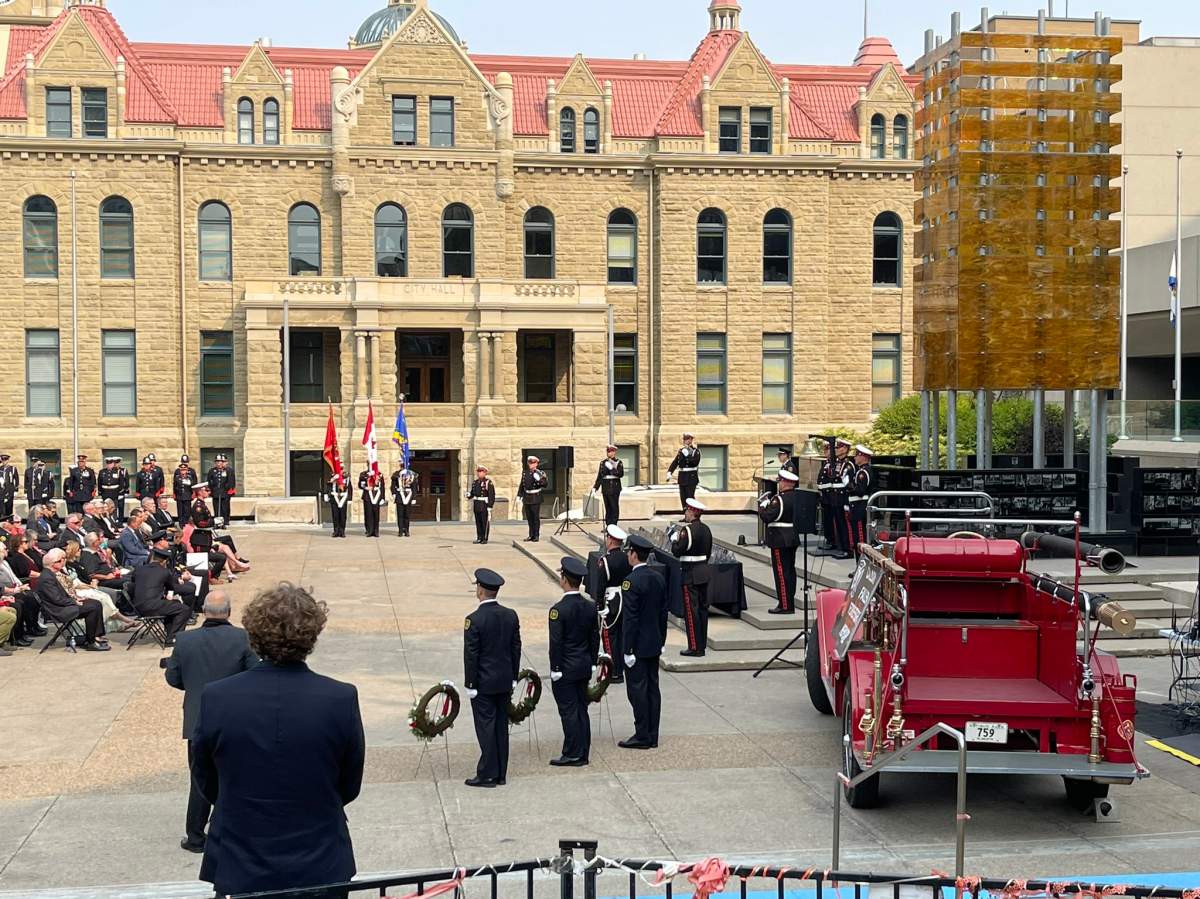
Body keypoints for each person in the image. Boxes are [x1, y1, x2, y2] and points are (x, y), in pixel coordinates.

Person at [192, 582, 365, 897]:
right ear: (312, 635)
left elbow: (206, 780)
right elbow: (348, 783)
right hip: (318, 858)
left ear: (253, 634)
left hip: (242, 855)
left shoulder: (218, 697)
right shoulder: (339, 698)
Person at [163, 590, 258, 854]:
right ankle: (232, 832)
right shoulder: (242, 638)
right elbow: (255, 674)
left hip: (198, 720)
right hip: (235, 721)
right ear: (228, 612)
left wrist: (195, 688)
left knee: (200, 781)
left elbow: (172, 678)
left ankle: (195, 837)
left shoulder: (184, 640)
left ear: (204, 611)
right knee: (235, 778)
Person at [463, 568, 521, 788]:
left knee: (486, 728)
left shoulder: (474, 620)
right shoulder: (510, 615)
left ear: (480, 590)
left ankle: (487, 774)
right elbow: (516, 648)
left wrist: (470, 683)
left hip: (484, 683)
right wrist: (513, 676)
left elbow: (471, 655)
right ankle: (501, 773)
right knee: (499, 728)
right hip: (504, 680)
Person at [548, 557, 599, 767]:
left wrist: (556, 668)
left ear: (564, 580)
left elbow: (556, 643)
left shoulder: (558, 610)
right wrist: (593, 661)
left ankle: (572, 752)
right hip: (583, 665)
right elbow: (594, 636)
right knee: (581, 710)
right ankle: (583, 751)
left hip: (566, 668)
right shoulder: (589, 606)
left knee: (569, 711)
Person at [619, 535, 667, 749]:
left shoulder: (631, 581)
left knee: (637, 690)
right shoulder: (658, 577)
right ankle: (652, 733)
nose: (628, 555)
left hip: (638, 646)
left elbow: (631, 619)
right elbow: (663, 613)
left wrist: (627, 649)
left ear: (634, 554)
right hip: (654, 642)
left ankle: (642, 734)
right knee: (652, 689)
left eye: (629, 552)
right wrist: (662, 639)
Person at [35, 548, 109, 651]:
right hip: (59, 610)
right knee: (92, 608)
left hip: (64, 604)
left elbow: (62, 594)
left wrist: (77, 598)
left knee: (96, 603)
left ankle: (96, 636)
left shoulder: (52, 574)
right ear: (53, 563)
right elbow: (57, 599)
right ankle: (91, 642)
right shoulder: (47, 578)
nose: (64, 561)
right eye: (61, 559)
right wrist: (75, 602)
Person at [671, 498, 713, 657]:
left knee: (691, 611)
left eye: (687, 511)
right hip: (703, 571)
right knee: (702, 610)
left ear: (693, 512)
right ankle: (701, 644)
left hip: (690, 574)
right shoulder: (706, 529)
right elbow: (708, 553)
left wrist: (674, 540)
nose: (685, 514)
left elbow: (677, 551)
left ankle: (695, 647)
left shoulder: (687, 531)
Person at [759, 469, 800, 615]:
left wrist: (763, 505)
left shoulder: (779, 499)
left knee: (781, 573)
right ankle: (789, 601)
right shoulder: (797, 497)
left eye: (781, 481)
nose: (779, 484)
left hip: (779, 539)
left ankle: (785, 604)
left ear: (787, 482)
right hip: (792, 537)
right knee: (790, 570)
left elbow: (767, 517)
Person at [131, 548, 193, 643]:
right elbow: (171, 588)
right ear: (164, 561)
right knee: (184, 609)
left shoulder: (139, 569)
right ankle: (173, 638)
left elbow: (133, 583)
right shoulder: (165, 572)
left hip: (138, 606)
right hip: (152, 606)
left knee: (173, 605)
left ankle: (169, 632)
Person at [598, 524, 630, 684]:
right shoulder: (627, 557)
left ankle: (613, 671)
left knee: (609, 636)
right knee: (621, 635)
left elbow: (600, 585)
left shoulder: (605, 561)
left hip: (611, 600)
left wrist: (598, 605)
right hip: (625, 598)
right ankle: (620, 669)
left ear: (611, 540)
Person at [847, 445, 875, 559]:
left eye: (856, 455)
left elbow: (860, 491)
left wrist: (849, 485)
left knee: (860, 539)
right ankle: (859, 565)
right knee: (856, 539)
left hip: (859, 509)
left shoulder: (864, 472)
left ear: (863, 457)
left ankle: (861, 565)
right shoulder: (861, 471)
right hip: (856, 508)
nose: (854, 458)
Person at [832, 438, 856, 560]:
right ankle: (842, 547)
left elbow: (848, 484)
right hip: (836, 498)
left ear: (845, 449)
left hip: (844, 498)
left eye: (839, 447)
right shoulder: (838, 463)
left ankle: (848, 549)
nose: (836, 450)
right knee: (839, 524)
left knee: (845, 525)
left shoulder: (848, 464)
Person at [666, 433, 701, 512]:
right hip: (682, 477)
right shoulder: (681, 451)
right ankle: (686, 516)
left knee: (690, 498)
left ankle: (693, 515)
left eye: (688, 439)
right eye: (685, 439)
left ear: (691, 440)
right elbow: (676, 462)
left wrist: (687, 455)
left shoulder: (695, 451)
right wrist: (670, 471)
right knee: (683, 498)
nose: (686, 441)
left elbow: (695, 463)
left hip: (691, 477)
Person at [517, 455, 547, 543]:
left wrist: (539, 479)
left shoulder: (540, 473)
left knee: (535, 517)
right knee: (529, 518)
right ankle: (531, 535)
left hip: (535, 497)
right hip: (527, 497)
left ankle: (536, 535)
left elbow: (545, 484)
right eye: (530, 463)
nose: (531, 464)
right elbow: (522, 485)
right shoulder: (525, 473)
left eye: (533, 463)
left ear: (537, 464)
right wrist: (519, 495)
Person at [592, 445, 624, 526]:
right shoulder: (603, 463)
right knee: (608, 507)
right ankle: (608, 525)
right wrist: (595, 487)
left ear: (614, 452)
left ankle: (614, 525)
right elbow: (600, 476)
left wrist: (612, 468)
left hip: (614, 487)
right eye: (607, 451)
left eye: (610, 451)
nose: (608, 453)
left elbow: (620, 474)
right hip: (605, 487)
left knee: (614, 507)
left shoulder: (618, 462)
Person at [467, 465, 495, 545]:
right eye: (478, 472)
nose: (479, 473)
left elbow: (491, 495)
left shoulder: (488, 483)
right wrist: (468, 495)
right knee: (478, 522)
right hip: (477, 504)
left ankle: (484, 538)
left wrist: (490, 506)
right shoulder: (475, 482)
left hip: (484, 504)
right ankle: (479, 537)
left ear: (485, 473)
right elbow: (473, 493)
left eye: (481, 472)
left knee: (484, 522)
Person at [207, 454, 236, 524]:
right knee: (216, 508)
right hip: (216, 492)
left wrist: (229, 490)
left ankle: (226, 520)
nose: (219, 463)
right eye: (217, 462)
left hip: (225, 492)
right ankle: (217, 521)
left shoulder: (228, 470)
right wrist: (211, 490)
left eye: (220, 462)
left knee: (225, 508)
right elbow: (209, 481)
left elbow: (231, 481)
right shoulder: (212, 471)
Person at [98, 456, 128, 524]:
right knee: (105, 508)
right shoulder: (102, 472)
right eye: (108, 464)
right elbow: (99, 483)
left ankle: (114, 522)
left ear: (113, 464)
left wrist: (119, 492)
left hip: (114, 493)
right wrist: (101, 492)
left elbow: (121, 483)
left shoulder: (118, 472)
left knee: (113, 509)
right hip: (105, 493)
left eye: (111, 464)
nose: (109, 465)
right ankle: (107, 522)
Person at [357, 468, 385, 538]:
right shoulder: (363, 474)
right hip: (367, 496)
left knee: (376, 514)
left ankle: (376, 531)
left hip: (376, 496)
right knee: (368, 514)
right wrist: (366, 487)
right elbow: (360, 485)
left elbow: (382, 487)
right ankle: (369, 531)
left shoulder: (379, 474)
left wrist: (382, 498)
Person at [391, 468, 416, 538]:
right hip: (400, 497)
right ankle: (400, 530)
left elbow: (414, 487)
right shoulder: (396, 474)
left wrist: (414, 497)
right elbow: (393, 485)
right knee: (400, 515)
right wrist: (394, 493)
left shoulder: (411, 474)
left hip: (408, 496)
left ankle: (407, 530)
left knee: (407, 515)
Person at [323, 474, 350, 539]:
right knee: (335, 516)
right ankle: (336, 531)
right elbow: (327, 485)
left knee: (343, 516)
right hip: (334, 498)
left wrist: (350, 499)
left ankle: (342, 531)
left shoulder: (346, 476)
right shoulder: (331, 476)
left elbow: (349, 488)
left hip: (343, 498)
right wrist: (326, 494)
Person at [173, 456, 197, 526]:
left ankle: (186, 522)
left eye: (184, 469)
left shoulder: (191, 473)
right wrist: (174, 493)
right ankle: (181, 523)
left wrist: (194, 493)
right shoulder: (177, 474)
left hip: (187, 495)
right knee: (180, 510)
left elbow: (194, 483)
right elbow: (175, 484)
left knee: (187, 510)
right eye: (182, 469)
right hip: (179, 495)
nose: (183, 471)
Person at [0, 454, 20, 519]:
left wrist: (16, 490)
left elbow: (16, 479)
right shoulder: (0, 468)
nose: (4, 461)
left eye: (5, 460)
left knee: (9, 506)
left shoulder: (13, 469)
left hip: (9, 490)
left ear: (8, 460)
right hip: (1, 491)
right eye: (3, 460)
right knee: (1, 507)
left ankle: (9, 520)